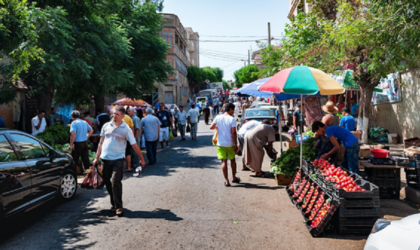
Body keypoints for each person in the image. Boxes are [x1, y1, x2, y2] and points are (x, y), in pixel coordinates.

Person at [92, 106, 145, 216]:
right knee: (107, 182)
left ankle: (119, 206)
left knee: (115, 181)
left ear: (122, 116)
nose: (114, 116)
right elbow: (101, 143)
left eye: (116, 114)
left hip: (118, 159)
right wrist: (96, 158)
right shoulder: (106, 126)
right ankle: (114, 203)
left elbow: (134, 145)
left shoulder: (126, 129)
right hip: (105, 158)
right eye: (113, 114)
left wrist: (142, 158)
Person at [210, 103, 240, 186]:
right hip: (230, 143)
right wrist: (236, 143)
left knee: (224, 162)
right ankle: (234, 177)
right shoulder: (232, 119)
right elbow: (234, 132)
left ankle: (226, 181)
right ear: (230, 109)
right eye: (233, 109)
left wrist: (217, 127)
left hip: (220, 144)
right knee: (233, 161)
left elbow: (211, 127)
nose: (233, 111)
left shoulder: (218, 117)